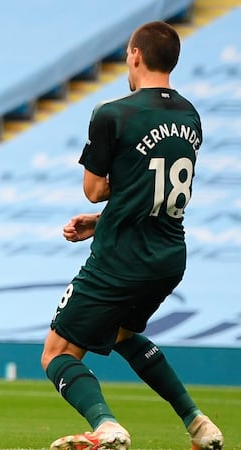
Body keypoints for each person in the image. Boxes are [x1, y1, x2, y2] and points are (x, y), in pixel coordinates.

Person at [40, 21, 223, 450]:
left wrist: (101, 212)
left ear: (136, 56)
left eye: (127, 53)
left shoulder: (113, 113)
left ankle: (106, 426)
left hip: (122, 257)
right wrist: (101, 221)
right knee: (120, 332)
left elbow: (95, 189)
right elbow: (151, 191)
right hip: (168, 255)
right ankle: (199, 424)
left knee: (57, 353)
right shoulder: (189, 116)